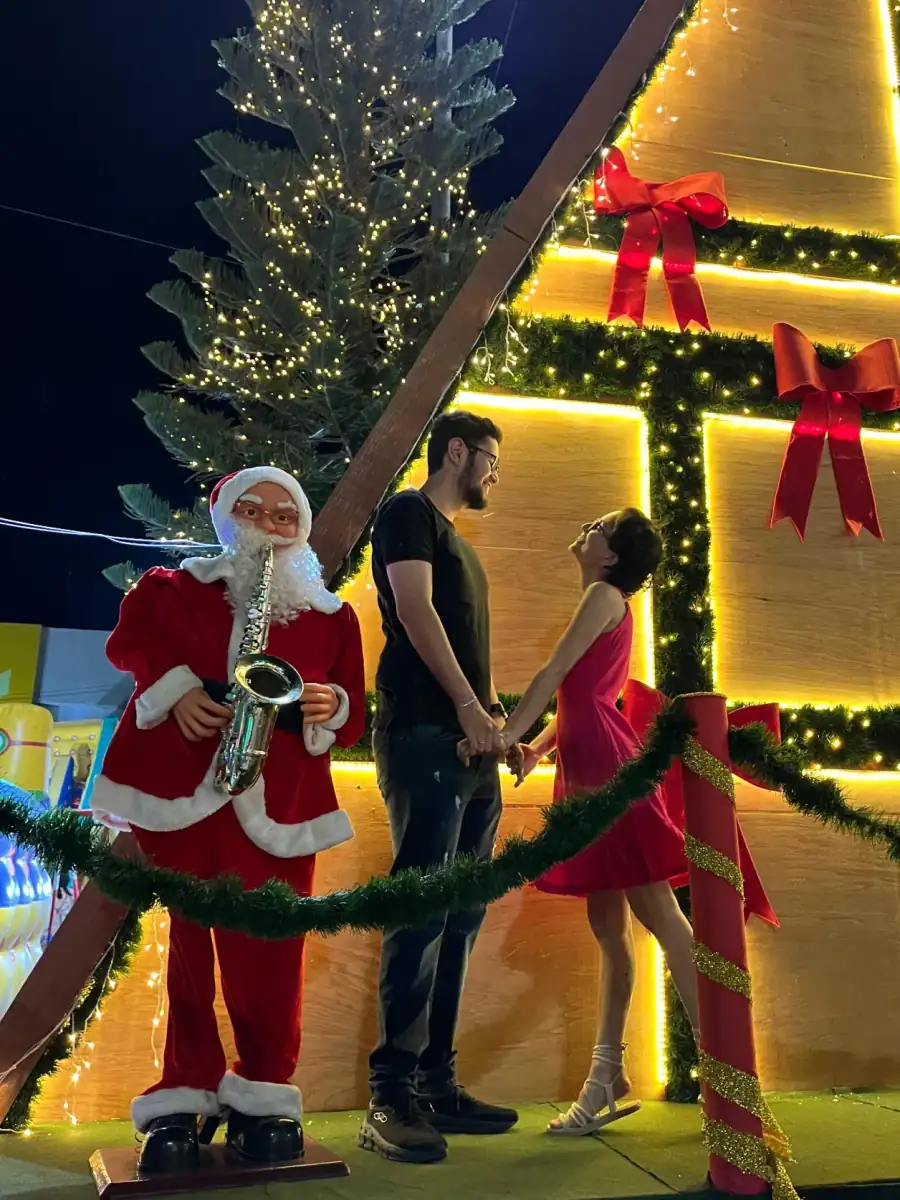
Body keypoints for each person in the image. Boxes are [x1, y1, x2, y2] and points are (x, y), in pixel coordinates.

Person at [90, 466, 366, 1173]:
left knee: (273, 950)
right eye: (253, 510)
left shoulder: (333, 615)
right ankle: (182, 1093)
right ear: (223, 518)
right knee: (189, 948)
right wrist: (176, 686)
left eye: (284, 516)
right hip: (187, 788)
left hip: (281, 798)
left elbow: (355, 710)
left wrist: (329, 704)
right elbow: (130, 645)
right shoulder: (170, 589)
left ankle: (264, 1094)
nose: (269, 526)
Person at [486, 509, 775, 1136]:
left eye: (599, 526)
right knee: (611, 936)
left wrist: (507, 730)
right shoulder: (610, 599)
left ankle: (727, 1078)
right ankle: (606, 1080)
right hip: (589, 774)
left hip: (610, 779)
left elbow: (556, 676)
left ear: (611, 556)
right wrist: (536, 749)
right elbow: (583, 697)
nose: (586, 527)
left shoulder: (601, 594)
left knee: (664, 924)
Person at [358, 410, 518, 1164]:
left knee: (460, 918)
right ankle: (389, 1096)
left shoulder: (462, 547)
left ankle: (435, 1083)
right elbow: (414, 612)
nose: (494, 474)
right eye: (490, 458)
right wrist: (462, 704)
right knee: (420, 908)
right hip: (423, 732)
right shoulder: (405, 514)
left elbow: (462, 649)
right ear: (456, 450)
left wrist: (495, 725)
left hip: (471, 748)